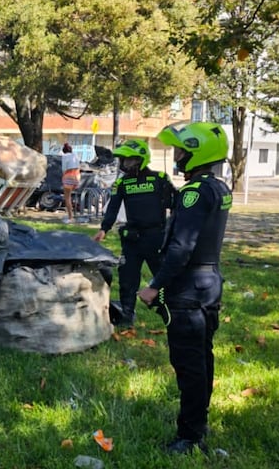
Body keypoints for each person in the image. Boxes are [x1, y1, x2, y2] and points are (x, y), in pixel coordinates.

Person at [139, 122, 231, 456]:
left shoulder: (193, 193)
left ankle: (189, 436)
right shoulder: (217, 187)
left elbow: (181, 247)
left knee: (190, 363)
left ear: (196, 152)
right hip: (208, 283)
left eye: (181, 150)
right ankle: (198, 423)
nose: (176, 156)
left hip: (189, 288)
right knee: (203, 357)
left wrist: (154, 286)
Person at [93, 139, 174, 328]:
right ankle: (127, 314)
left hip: (156, 238)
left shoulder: (160, 178)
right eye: (123, 160)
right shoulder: (122, 183)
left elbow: (175, 204)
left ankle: (168, 308)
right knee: (128, 278)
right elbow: (112, 208)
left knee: (163, 276)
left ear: (140, 159)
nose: (125, 164)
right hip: (132, 239)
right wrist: (104, 229)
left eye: (129, 160)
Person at [60, 142, 81, 223]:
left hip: (68, 176)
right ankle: (72, 214)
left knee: (67, 198)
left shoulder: (64, 156)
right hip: (77, 176)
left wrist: (63, 177)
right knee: (72, 196)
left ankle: (70, 217)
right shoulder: (75, 155)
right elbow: (79, 167)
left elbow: (64, 168)